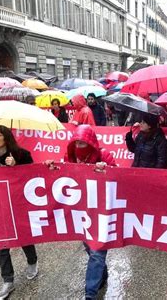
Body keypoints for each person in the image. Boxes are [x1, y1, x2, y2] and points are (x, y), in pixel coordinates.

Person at [46, 124, 116, 300]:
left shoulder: (104, 155)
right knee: (90, 249)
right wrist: (49, 168)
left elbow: (118, 178)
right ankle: (102, 273)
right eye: (76, 143)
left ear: (91, 143)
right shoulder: (69, 157)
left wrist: (107, 170)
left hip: (101, 212)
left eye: (83, 143)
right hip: (81, 213)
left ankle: (89, 295)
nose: (79, 147)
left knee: (97, 251)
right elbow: (61, 175)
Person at [0, 125, 39, 299]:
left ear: (5, 137)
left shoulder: (22, 154)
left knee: (23, 236)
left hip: (18, 204)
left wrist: (16, 166)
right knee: (1, 243)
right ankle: (7, 280)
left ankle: (32, 262)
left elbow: (32, 177)